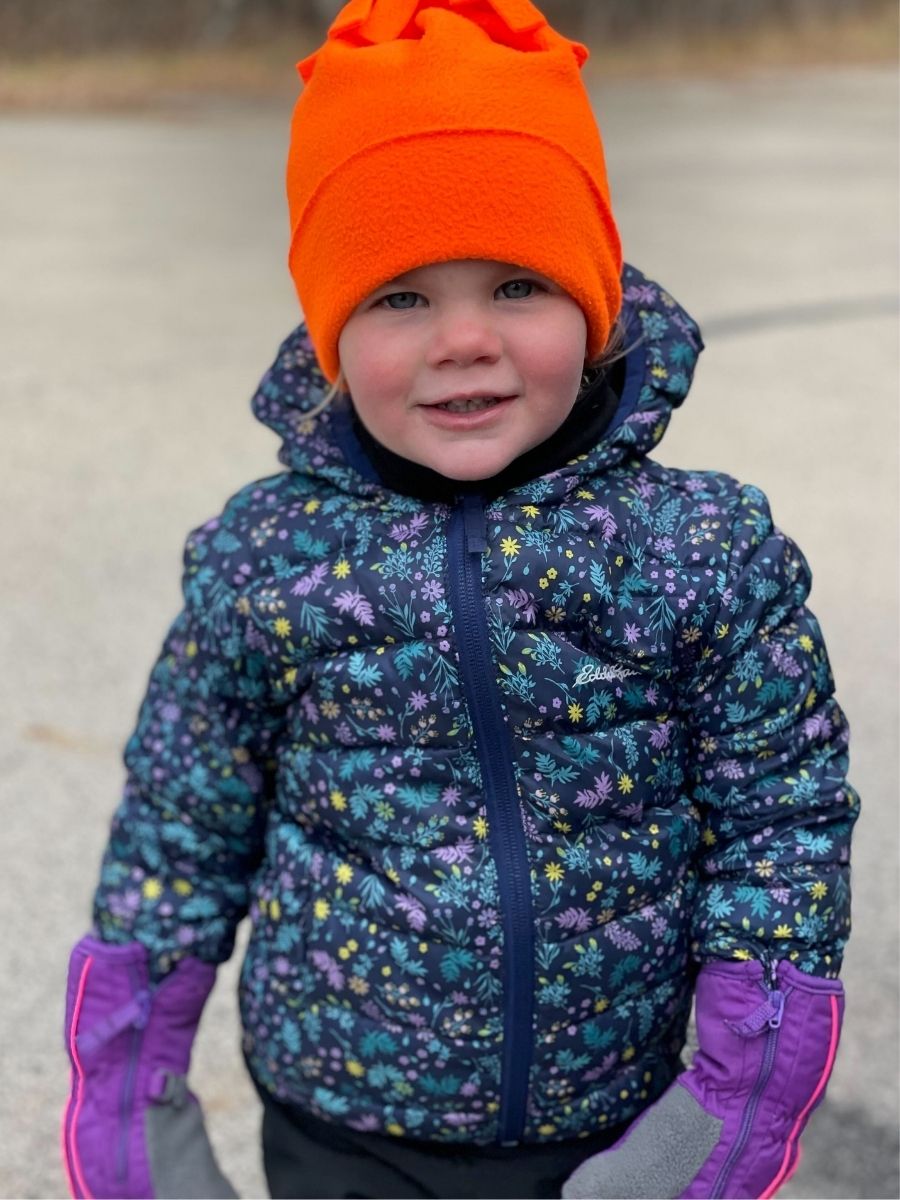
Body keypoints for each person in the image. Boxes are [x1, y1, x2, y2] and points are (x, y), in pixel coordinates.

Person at [61, 1, 859, 1197]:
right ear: (329, 329)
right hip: (339, 1120)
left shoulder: (700, 546)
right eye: (399, 297)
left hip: (617, 1113)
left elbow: (781, 817)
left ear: (596, 305)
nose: (466, 341)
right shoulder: (265, 558)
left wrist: (737, 1096)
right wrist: (132, 1090)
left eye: (518, 284)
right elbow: (181, 822)